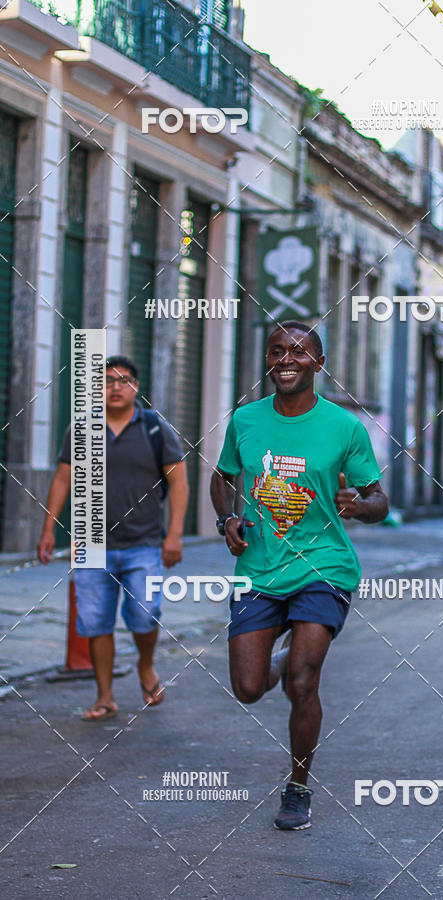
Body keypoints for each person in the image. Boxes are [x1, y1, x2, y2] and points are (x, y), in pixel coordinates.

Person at [210, 321, 389, 830]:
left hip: (323, 567)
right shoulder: (246, 421)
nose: (287, 359)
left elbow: (379, 498)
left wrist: (360, 505)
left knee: (304, 682)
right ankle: (285, 654)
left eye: (299, 351)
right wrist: (228, 520)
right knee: (247, 688)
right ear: (267, 361)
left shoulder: (344, 427)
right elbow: (222, 478)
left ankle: (297, 787)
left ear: (318, 362)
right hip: (259, 570)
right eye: (277, 351)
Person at [37, 356, 189, 721]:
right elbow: (63, 478)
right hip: (90, 545)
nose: (115, 387)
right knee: (96, 622)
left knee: (144, 614)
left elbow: (178, 482)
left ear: (135, 387)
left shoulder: (155, 429)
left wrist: (175, 535)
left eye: (124, 380)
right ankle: (104, 696)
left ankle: (146, 666)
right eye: (107, 381)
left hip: (144, 544)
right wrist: (47, 529)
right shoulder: (83, 429)